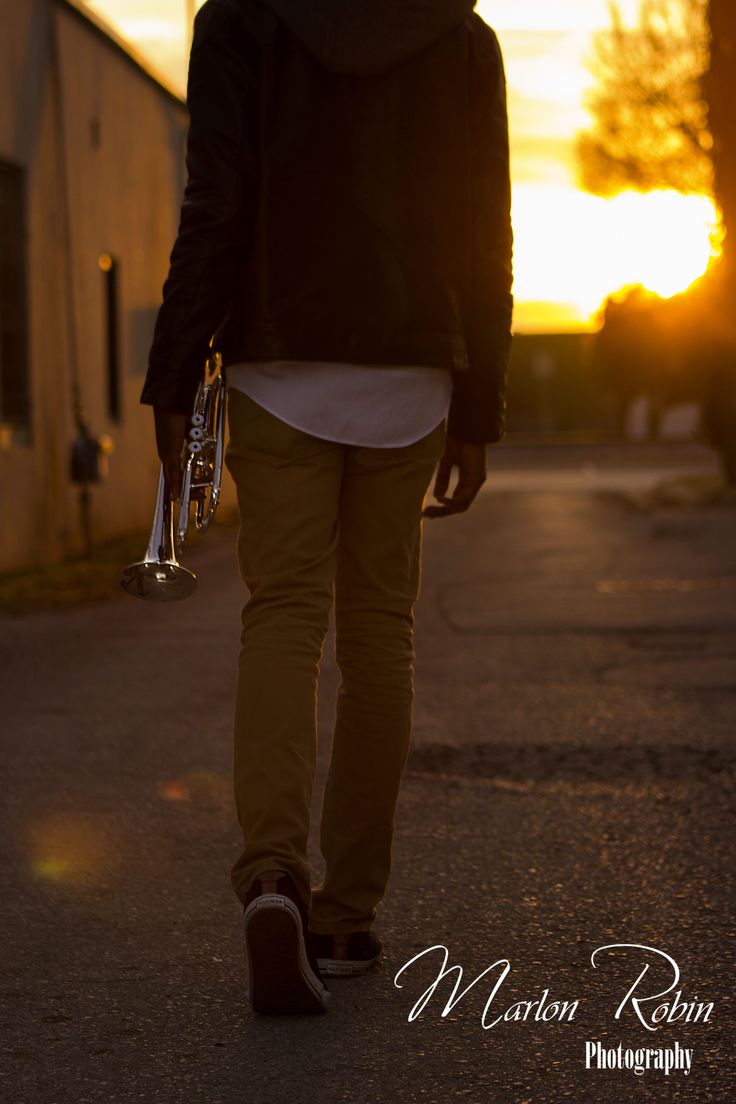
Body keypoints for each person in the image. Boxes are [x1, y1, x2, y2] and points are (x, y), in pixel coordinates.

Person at [140, 0, 513, 1015]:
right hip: (411, 372)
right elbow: (486, 227)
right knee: (378, 634)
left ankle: (271, 879)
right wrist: (479, 406)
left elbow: (215, 198)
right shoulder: (460, 36)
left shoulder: (240, 22)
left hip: (276, 363)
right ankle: (347, 916)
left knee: (284, 615)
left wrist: (175, 375)